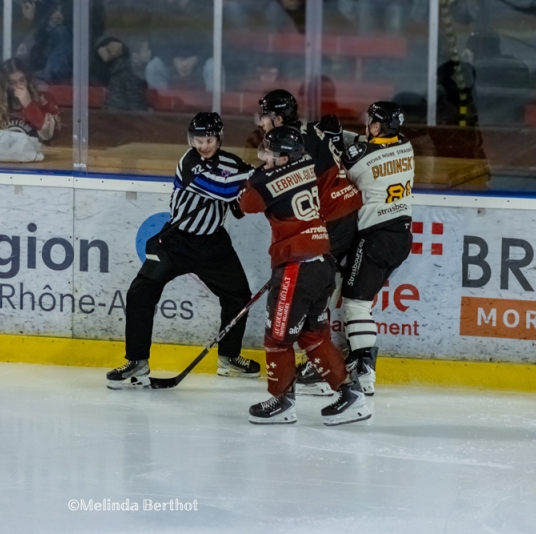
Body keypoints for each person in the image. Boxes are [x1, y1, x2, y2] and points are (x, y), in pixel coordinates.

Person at [106, 112, 261, 389]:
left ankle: (229, 358)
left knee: (238, 296)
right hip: (177, 242)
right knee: (140, 292)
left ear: (219, 138)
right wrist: (257, 174)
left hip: (213, 243)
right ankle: (137, 362)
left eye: (209, 139)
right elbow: (223, 188)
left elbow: (243, 201)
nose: (203, 145)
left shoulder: (232, 162)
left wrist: (252, 186)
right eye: (198, 139)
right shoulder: (188, 162)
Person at [238, 126, 370, 426]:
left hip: (296, 268)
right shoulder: (307, 166)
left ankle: (282, 401)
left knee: (278, 340)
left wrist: (257, 175)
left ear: (283, 156)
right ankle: (351, 395)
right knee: (313, 336)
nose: (265, 158)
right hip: (322, 263)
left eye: (270, 153)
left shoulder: (265, 178)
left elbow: (247, 204)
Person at [256, 89, 362, 396]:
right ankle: (320, 361)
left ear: (276, 118)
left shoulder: (290, 145)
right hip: (345, 208)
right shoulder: (306, 131)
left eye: (264, 116)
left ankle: (320, 366)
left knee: (311, 284)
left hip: (332, 217)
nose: (261, 123)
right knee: (317, 284)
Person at [339, 101, 414, 396]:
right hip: (402, 237)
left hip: (374, 238)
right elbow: (368, 145)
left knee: (355, 304)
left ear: (377, 126)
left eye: (371, 122)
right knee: (364, 303)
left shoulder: (362, 158)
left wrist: (331, 137)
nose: (367, 126)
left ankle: (363, 369)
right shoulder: (406, 146)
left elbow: (344, 160)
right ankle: (358, 359)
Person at [0, 58, 60, 142]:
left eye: (22, 80)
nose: (18, 86)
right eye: (12, 83)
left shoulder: (44, 100)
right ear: (4, 85)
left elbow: (50, 135)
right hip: (3, 155)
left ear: (28, 80)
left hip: (35, 155)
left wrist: (29, 104)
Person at [91, 37, 148, 111]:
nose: (150, 52)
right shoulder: (126, 73)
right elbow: (134, 102)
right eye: (146, 50)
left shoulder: (113, 71)